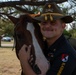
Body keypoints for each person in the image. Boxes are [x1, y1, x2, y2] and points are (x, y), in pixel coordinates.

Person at [18, 2, 76, 75]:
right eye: (44, 23)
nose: (47, 26)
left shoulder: (66, 54)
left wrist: (24, 62)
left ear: (63, 26)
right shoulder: (43, 47)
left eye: (53, 23)